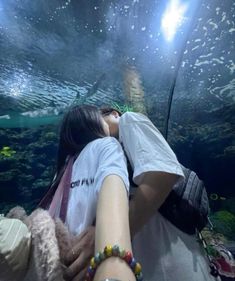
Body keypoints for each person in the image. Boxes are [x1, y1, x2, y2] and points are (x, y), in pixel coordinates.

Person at [100, 107, 220, 281]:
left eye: (99, 118)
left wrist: (112, 241)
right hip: (161, 259)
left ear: (114, 114)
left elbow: (162, 173)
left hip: (173, 260)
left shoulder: (129, 121)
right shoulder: (110, 150)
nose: (94, 127)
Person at [51, 105, 137, 281]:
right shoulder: (107, 145)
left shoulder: (63, 168)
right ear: (91, 122)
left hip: (56, 267)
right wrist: (114, 271)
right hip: (90, 270)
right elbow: (113, 201)